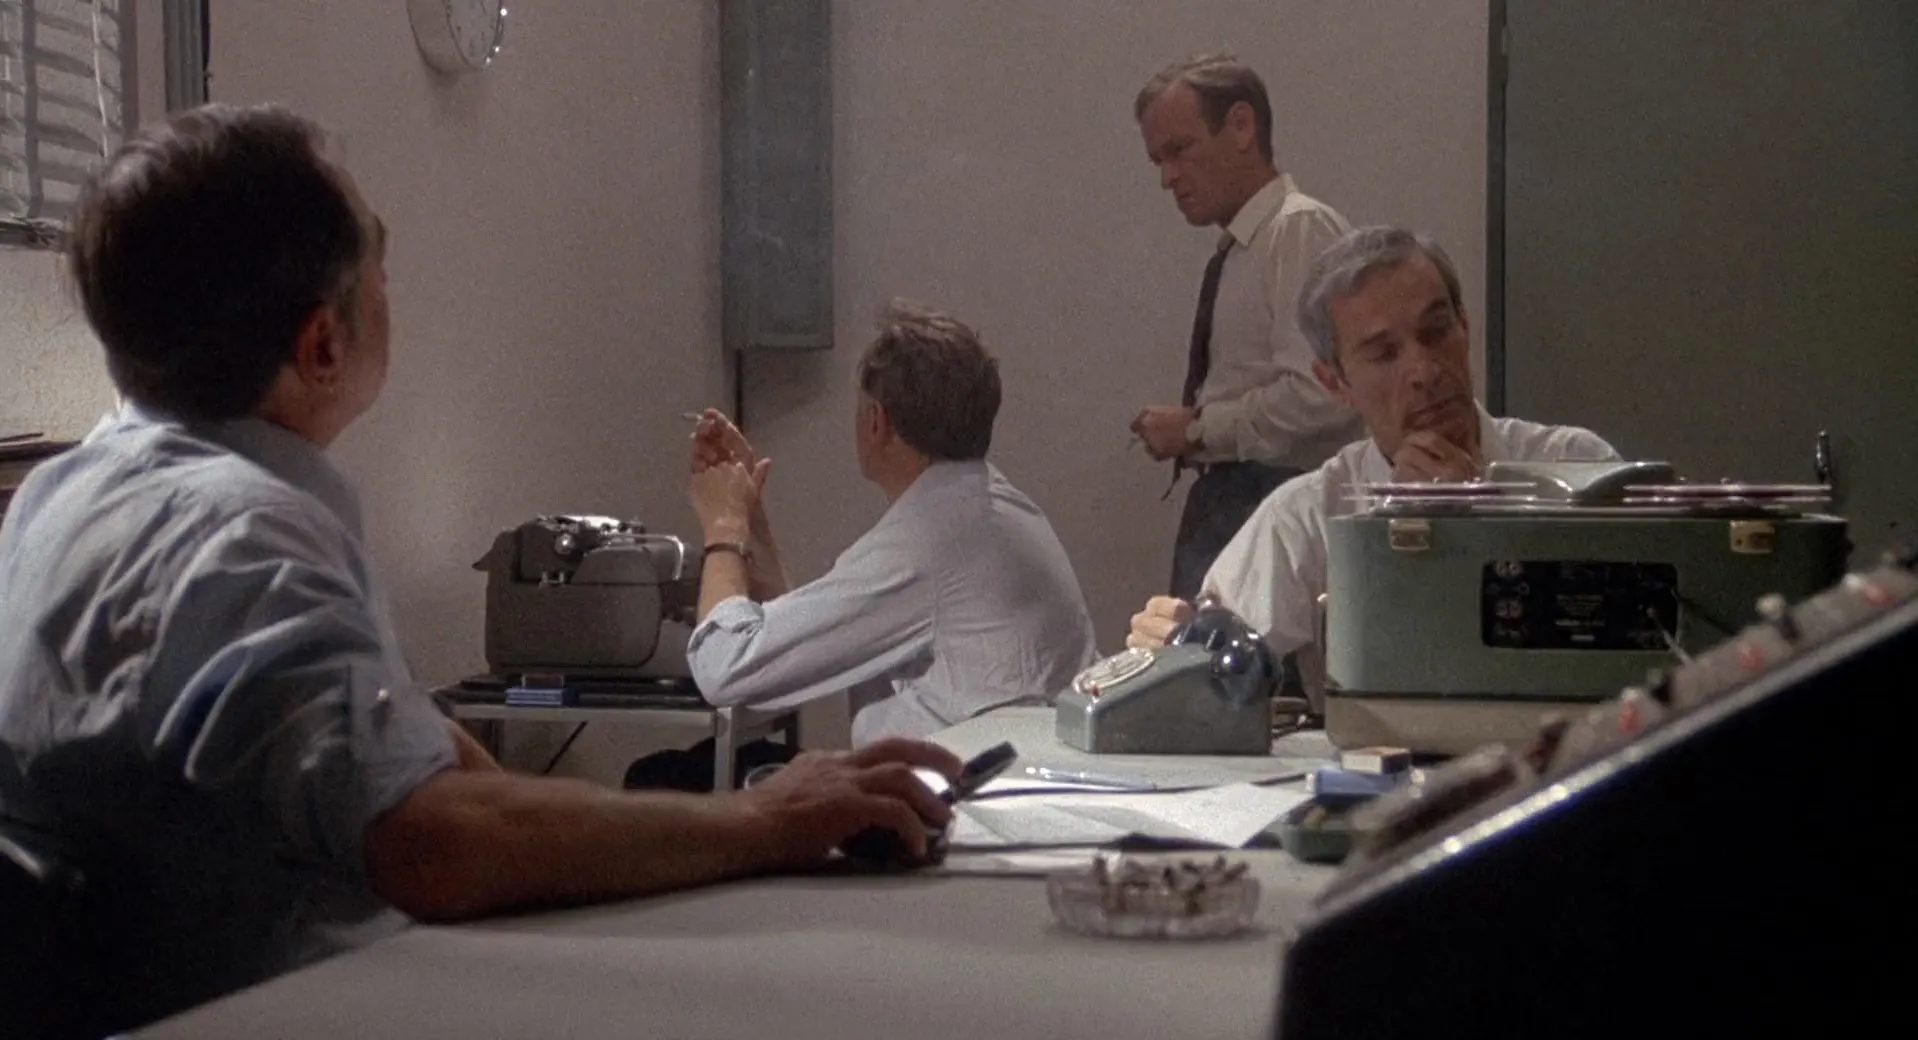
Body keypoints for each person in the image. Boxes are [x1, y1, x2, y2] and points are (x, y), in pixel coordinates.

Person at [0, 103, 962, 1034]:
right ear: (323, 345)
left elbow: (396, 754)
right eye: (380, 265)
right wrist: (763, 818)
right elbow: (429, 842)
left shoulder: (60, 496)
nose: (393, 290)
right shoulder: (246, 537)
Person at [1126, 226, 1621, 701]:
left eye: (1436, 332)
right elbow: (1204, 676)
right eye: (1385, 354)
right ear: (1335, 382)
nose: (1423, 371)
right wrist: (1177, 646)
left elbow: (1634, 650)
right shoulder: (1310, 516)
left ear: (1465, 327)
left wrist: (1479, 525)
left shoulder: (1576, 469)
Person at [680, 303, 1100, 747]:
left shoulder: (924, 547)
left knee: (669, 772)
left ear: (876, 422)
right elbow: (799, 646)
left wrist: (724, 525)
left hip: (963, 785)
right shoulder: (996, 509)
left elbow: (723, 667)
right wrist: (749, 516)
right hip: (1017, 773)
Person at [1129, 53, 1366, 601]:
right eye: (1158, 161)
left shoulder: (1298, 230)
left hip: (1272, 497)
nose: (1168, 178)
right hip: (1239, 497)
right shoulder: (1243, 249)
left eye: (1179, 150)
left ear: (1241, 126)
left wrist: (1197, 430)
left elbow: (1323, 395)